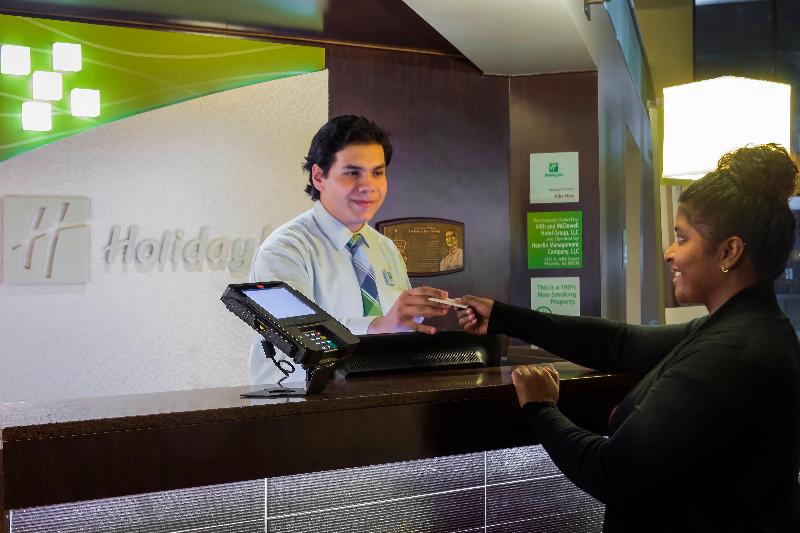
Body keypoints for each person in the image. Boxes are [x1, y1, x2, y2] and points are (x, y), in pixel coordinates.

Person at [457, 144, 800, 531]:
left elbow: (612, 472)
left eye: (682, 238)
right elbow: (618, 343)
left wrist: (540, 408)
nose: (669, 253)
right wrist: (504, 317)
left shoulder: (735, 352)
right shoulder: (742, 329)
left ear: (729, 252)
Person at [249, 115, 450, 385]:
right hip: (299, 403)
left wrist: (413, 318)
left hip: (377, 397)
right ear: (319, 176)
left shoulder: (386, 248)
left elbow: (395, 330)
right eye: (353, 173)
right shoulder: (283, 250)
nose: (368, 187)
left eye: (377, 173)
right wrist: (379, 326)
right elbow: (299, 336)